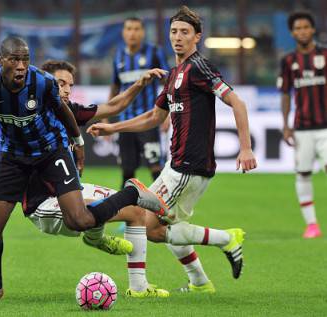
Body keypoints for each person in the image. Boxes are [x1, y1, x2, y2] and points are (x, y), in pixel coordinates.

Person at [0, 37, 168, 301]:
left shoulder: (41, 82)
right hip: (12, 157)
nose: (21, 66)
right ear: (1, 60)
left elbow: (64, 112)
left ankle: (131, 194)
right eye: (14, 59)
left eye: (25, 59)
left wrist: (78, 142)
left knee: (79, 220)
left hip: (51, 153)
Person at [88, 6, 258, 293]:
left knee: (149, 226)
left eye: (185, 32)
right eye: (174, 32)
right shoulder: (174, 74)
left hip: (189, 167)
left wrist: (246, 148)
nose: (178, 37)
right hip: (175, 165)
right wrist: (112, 127)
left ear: (197, 37)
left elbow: (237, 103)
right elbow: (154, 117)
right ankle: (200, 282)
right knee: (162, 225)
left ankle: (225, 239)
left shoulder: (199, 67)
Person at [278, 11, 327, 239]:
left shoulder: (325, 54)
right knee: (303, 174)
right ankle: (312, 225)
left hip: (326, 127)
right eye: (298, 28)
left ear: (313, 29)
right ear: (292, 32)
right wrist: (286, 125)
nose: (302, 31)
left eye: (306, 27)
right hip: (302, 128)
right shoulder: (288, 61)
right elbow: (285, 94)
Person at [109, 16, 169, 187]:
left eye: (136, 29)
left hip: (149, 119)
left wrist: (167, 114)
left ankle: (164, 207)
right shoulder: (118, 55)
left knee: (155, 166)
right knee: (127, 170)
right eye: (129, 29)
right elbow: (115, 86)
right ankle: (125, 210)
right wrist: (106, 116)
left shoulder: (155, 52)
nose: (132, 33)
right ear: (123, 32)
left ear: (143, 32)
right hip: (126, 121)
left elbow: (169, 84)